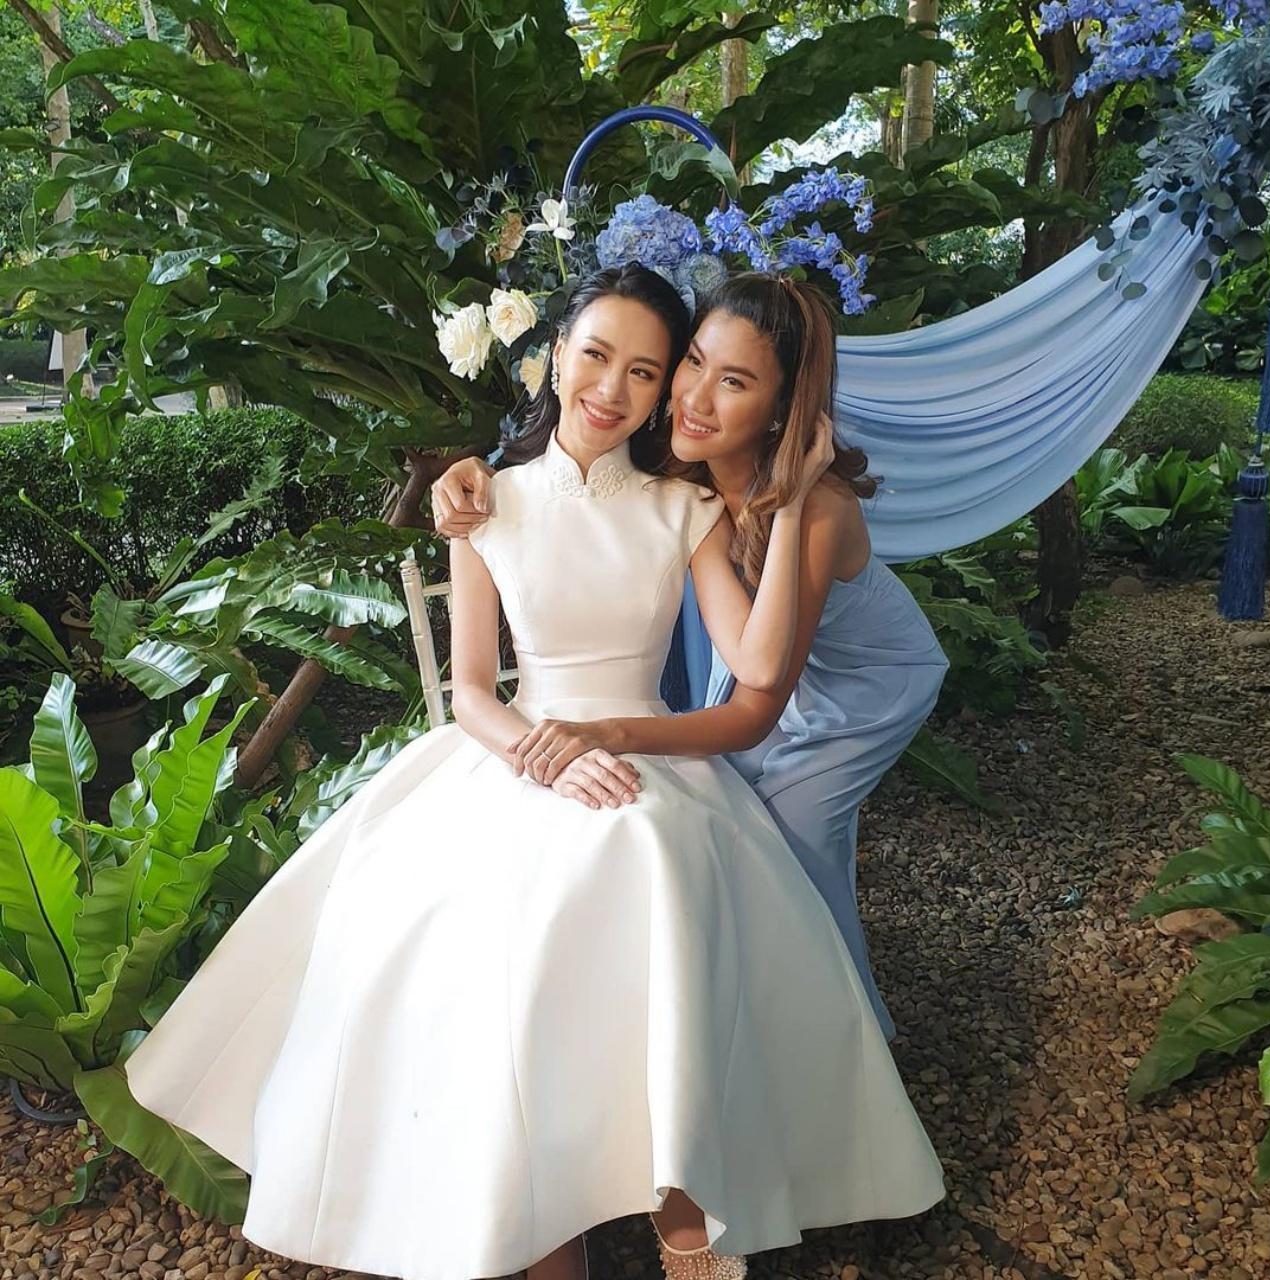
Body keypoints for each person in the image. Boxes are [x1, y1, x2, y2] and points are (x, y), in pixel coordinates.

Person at [123, 264, 945, 1280]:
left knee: (654, 861)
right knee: (490, 934)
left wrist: (796, 497)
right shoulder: (483, 505)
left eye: (646, 371)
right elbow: (472, 689)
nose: (617, 387)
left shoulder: (683, 505)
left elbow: (757, 669)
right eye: (597, 355)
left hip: (647, 754)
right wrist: (541, 756)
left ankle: (685, 1212)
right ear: (553, 356)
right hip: (519, 756)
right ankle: (540, 1221)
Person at [432, 272, 949, 1042]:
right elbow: (569, 487)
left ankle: (841, 1042)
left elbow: (759, 689)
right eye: (694, 365)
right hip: (739, 673)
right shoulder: (684, 466)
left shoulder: (798, 508)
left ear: (781, 408)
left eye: (732, 381)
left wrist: (794, 496)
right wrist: (471, 468)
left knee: (791, 837)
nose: (696, 398)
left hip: (864, 680)